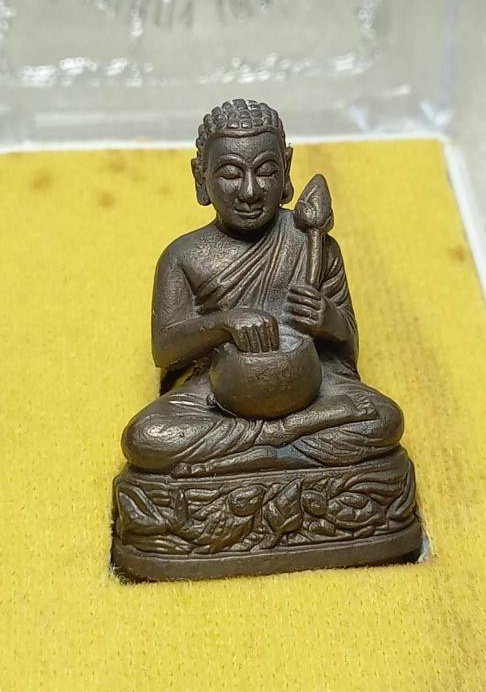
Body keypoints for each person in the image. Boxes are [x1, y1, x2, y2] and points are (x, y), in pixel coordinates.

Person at [122, 99, 403, 476]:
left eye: (266, 171)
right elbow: (165, 350)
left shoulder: (313, 245)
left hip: (312, 386)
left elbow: (348, 346)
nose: (250, 191)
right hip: (219, 391)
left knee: (384, 418)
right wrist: (224, 324)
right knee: (145, 437)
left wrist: (329, 319)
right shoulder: (184, 256)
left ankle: (249, 452)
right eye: (231, 174)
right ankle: (285, 439)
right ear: (200, 177)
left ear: (286, 170)